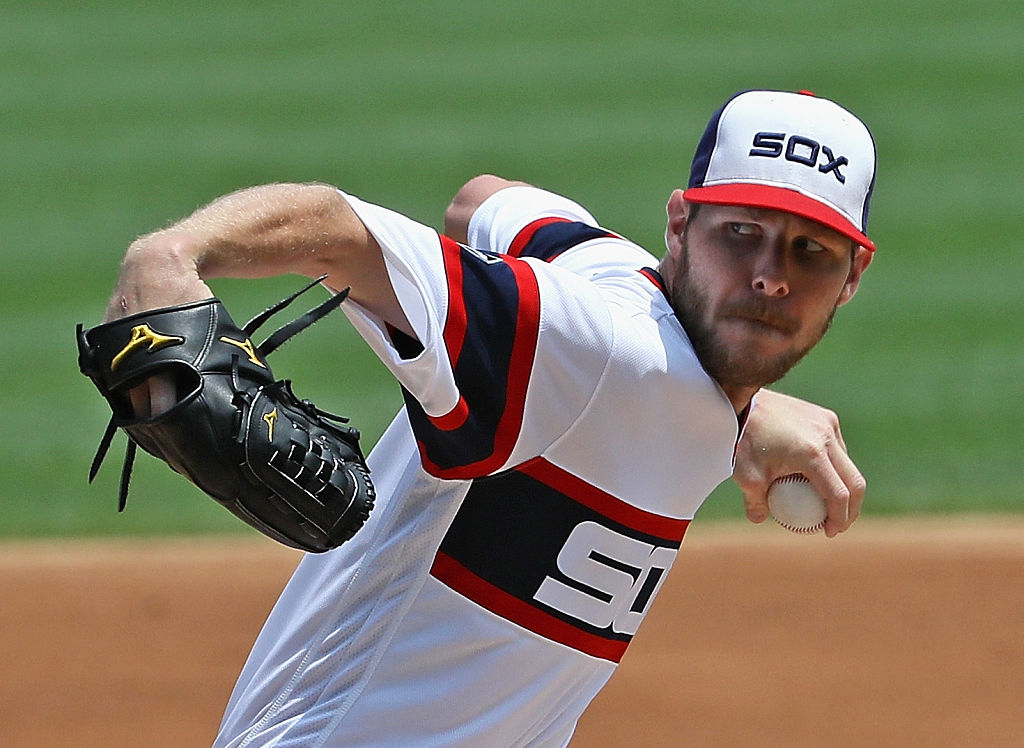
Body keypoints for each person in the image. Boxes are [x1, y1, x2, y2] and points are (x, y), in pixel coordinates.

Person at [104, 89, 875, 746]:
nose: (771, 277)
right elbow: (341, 229)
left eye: (811, 251)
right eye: (741, 233)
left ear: (853, 277)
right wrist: (170, 256)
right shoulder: (593, 345)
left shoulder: (609, 274)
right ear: (681, 225)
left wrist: (735, 404)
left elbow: (478, 199)